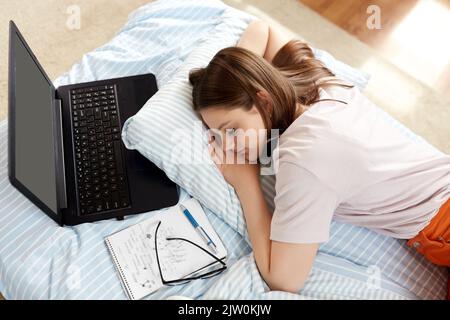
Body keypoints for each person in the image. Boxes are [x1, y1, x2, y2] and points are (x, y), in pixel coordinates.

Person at [188, 20, 450, 294]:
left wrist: (246, 183)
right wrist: (234, 75)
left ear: (263, 101)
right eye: (217, 134)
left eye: (231, 130)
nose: (228, 146)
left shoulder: (304, 161)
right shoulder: (314, 84)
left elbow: (284, 280)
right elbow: (262, 29)